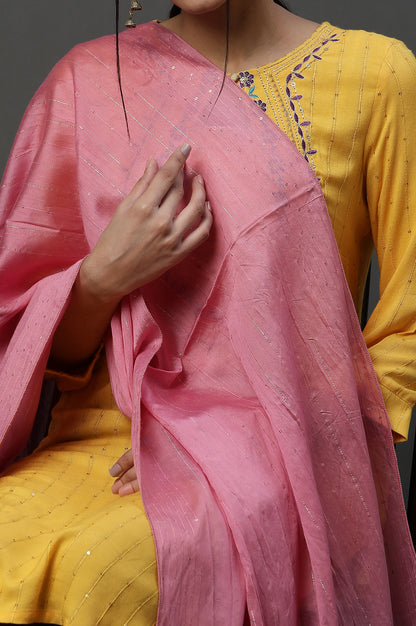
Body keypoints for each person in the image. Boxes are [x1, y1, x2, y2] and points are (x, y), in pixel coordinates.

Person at [0, 0, 416, 624]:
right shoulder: (84, 83)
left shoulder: (377, 75)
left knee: (93, 575)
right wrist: (102, 277)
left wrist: (255, 447)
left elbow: (409, 325)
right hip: (106, 452)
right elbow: (29, 345)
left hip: (284, 458)